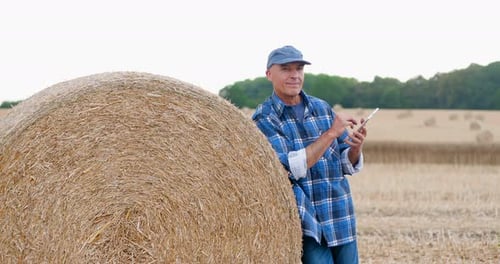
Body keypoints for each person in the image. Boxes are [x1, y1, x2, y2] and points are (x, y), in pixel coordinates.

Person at [252, 45, 367, 264]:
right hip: (307, 222)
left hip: (339, 213)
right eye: (286, 69)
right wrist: (331, 133)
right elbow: (288, 168)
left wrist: (355, 148)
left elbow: (345, 164)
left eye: (299, 69)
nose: (294, 75)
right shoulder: (264, 119)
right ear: (269, 74)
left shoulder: (322, 108)